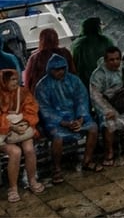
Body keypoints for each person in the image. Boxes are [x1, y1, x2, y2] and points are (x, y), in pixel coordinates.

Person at [36, 54, 101, 180]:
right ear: (50, 70)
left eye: (62, 68)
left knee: (93, 127)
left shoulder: (74, 80)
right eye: (56, 69)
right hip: (55, 122)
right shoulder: (42, 86)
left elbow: (82, 100)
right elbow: (44, 109)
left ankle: (87, 161)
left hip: (75, 116)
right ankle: (57, 169)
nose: (60, 72)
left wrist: (80, 118)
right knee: (57, 136)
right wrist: (63, 122)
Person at [0, 69, 43, 202]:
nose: (15, 82)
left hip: (21, 129)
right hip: (3, 133)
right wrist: (10, 126)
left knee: (29, 149)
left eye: (16, 79)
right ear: (3, 81)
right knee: (15, 152)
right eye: (11, 80)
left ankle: (32, 180)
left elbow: (31, 109)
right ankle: (13, 188)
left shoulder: (23, 92)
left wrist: (25, 123)